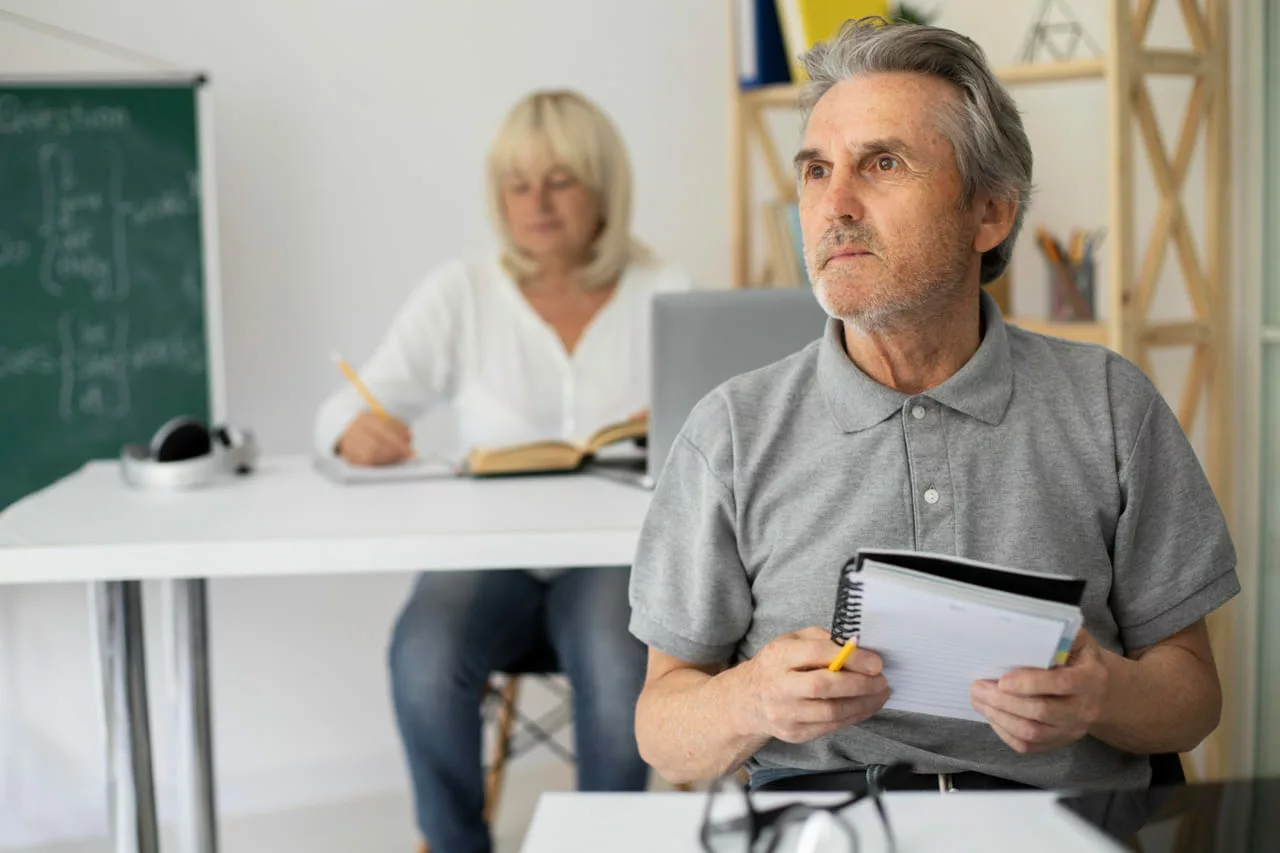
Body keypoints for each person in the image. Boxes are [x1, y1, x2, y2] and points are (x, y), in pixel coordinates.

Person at [628, 18, 1239, 795]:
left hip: (1060, 823)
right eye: (817, 171)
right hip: (830, 827)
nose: (835, 204)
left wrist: (1103, 694)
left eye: (883, 163)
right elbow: (663, 732)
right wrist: (751, 699)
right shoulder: (730, 431)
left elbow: (1193, 700)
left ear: (990, 212)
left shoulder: (1113, 406)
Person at [314, 90, 691, 853]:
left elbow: (719, 432)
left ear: (603, 187)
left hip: (612, 561)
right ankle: (455, 843)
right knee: (423, 656)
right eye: (518, 183)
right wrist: (358, 433)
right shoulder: (462, 290)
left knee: (622, 662)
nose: (537, 202)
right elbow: (336, 419)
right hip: (486, 559)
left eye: (561, 179)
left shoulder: (666, 288)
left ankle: (605, 843)